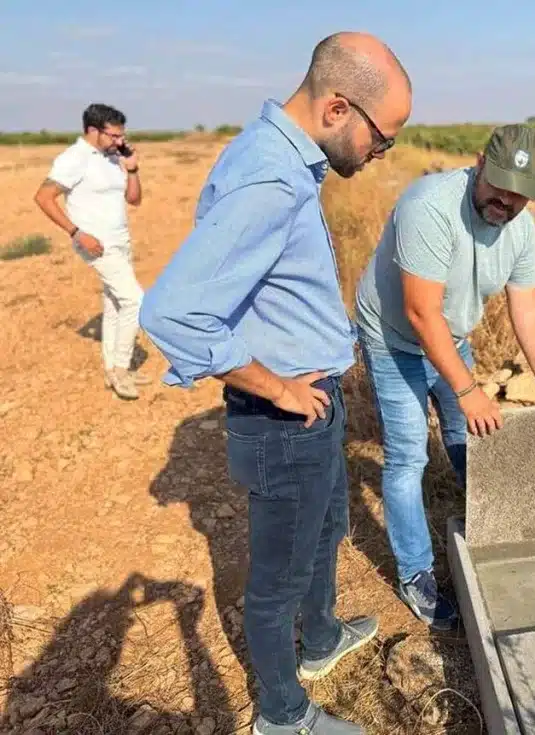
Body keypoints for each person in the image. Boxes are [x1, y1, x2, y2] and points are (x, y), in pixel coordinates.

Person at [138, 32, 412, 735]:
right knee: (276, 582)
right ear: (337, 109)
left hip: (310, 405)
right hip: (283, 418)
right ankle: (283, 715)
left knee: (326, 531)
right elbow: (173, 311)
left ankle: (318, 640)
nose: (382, 154)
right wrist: (277, 386)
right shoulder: (268, 175)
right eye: (383, 138)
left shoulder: (288, 161)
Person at [353, 123, 535, 632]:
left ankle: (486, 526)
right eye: (498, 186)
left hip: (448, 332)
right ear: (479, 163)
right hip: (394, 334)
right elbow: (419, 313)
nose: (505, 201)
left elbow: (528, 309)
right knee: (409, 452)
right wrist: (469, 389)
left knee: (462, 433)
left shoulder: (520, 230)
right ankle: (416, 574)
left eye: (519, 194)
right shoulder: (429, 205)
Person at [34, 102, 149, 400]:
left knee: (114, 304)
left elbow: (134, 200)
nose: (118, 141)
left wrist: (132, 169)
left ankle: (112, 368)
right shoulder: (73, 158)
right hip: (95, 243)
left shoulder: (111, 158)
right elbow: (44, 197)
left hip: (120, 239)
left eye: (121, 135)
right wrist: (76, 233)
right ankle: (121, 370)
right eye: (112, 135)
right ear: (92, 130)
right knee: (135, 301)